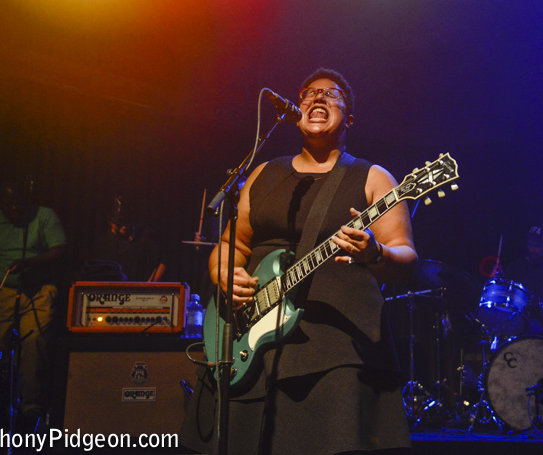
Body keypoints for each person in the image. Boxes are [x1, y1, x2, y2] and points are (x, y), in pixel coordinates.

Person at [180, 69, 417, 455]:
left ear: (350, 119)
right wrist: (222, 273)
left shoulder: (373, 177)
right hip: (250, 341)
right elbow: (231, 244)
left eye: (332, 94)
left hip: (337, 350)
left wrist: (375, 251)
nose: (317, 98)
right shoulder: (263, 173)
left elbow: (406, 258)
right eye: (308, 93)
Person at [0, 175, 67, 422]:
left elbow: (59, 249)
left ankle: (31, 406)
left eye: (19, 204)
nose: (14, 209)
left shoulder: (44, 216)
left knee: (34, 346)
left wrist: (29, 263)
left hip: (39, 290)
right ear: (1, 202)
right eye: (9, 204)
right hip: (2, 292)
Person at [85, 196, 167, 282]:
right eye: (119, 223)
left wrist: (150, 286)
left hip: (139, 292)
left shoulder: (145, 239)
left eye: (127, 222)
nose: (124, 227)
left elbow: (163, 261)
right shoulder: (100, 244)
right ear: (110, 221)